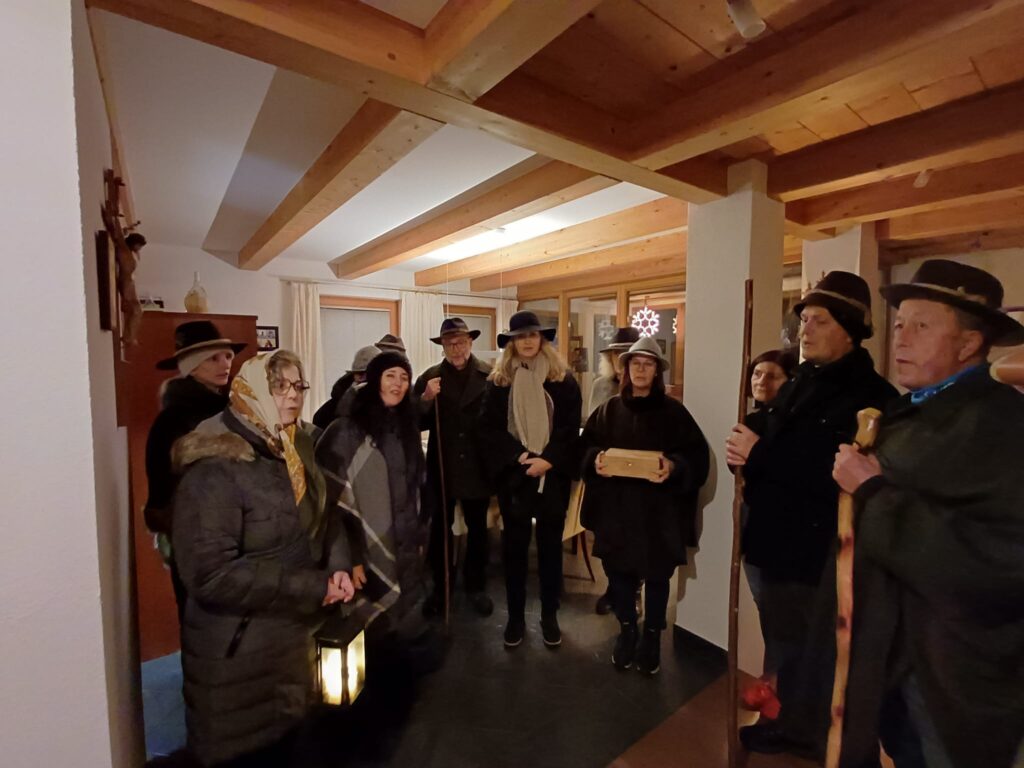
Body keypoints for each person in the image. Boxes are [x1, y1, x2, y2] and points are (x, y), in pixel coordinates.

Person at [833, 260, 1024, 768]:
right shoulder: (908, 412)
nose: (901, 338)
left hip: (953, 673)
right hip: (893, 657)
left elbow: (1002, 560)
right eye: (899, 324)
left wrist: (872, 491)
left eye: (921, 325)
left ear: (969, 343)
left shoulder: (1004, 425)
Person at [726, 271, 897, 758]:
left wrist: (760, 454)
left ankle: (816, 738)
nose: (805, 329)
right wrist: (745, 452)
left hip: (816, 553)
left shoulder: (871, 397)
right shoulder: (802, 380)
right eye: (803, 320)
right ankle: (790, 723)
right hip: (776, 543)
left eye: (819, 320)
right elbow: (777, 440)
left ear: (849, 329)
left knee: (816, 654)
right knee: (786, 646)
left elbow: (835, 473)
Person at [172, 351, 354, 767]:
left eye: (298, 385)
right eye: (279, 386)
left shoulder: (291, 450)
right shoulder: (216, 467)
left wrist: (338, 566)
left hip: (289, 642)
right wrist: (314, 586)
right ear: (250, 391)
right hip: (238, 653)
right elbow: (210, 575)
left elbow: (325, 516)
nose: (293, 396)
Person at [580, 337, 709, 675]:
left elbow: (696, 456)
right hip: (617, 510)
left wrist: (674, 467)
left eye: (647, 364)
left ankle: (651, 635)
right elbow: (585, 448)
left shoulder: (674, 413)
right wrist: (596, 460)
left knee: (656, 576)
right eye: (635, 363)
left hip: (658, 513)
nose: (640, 369)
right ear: (625, 369)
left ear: (656, 371)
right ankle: (627, 629)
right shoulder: (608, 411)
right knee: (618, 573)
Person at [480, 311, 582, 649]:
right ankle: (515, 619)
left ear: (541, 339)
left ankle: (550, 616)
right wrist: (520, 457)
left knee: (551, 551)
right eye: (520, 336)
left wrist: (548, 460)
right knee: (514, 551)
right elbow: (489, 430)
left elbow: (569, 429)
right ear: (511, 342)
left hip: (552, 477)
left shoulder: (563, 381)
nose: (526, 341)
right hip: (516, 477)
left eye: (532, 335)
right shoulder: (498, 382)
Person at [316, 350, 430, 640]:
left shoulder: (407, 427)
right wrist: (349, 558)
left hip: (405, 541)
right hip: (364, 551)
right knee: (371, 630)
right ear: (374, 380)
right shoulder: (346, 431)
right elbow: (331, 505)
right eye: (390, 375)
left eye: (404, 377)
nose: (398, 384)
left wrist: (419, 534)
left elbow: (417, 487)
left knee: (406, 621)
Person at [144, 320, 247, 622]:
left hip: (238, 532)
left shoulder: (233, 410)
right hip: (197, 536)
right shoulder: (173, 421)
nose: (225, 364)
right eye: (213, 358)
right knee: (201, 619)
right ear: (191, 365)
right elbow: (162, 488)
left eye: (227, 356)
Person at [415, 318, 494, 618]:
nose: (456, 348)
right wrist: (425, 399)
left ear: (470, 342)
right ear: (443, 347)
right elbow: (414, 421)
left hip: (478, 467)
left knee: (478, 531)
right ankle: (441, 587)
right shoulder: (430, 378)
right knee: (440, 531)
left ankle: (476, 586)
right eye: (450, 344)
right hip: (442, 467)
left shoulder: (490, 376)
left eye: (461, 342)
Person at [738, 348, 798, 715]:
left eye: (772, 375)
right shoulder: (752, 420)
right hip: (753, 519)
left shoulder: (792, 424)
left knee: (781, 608)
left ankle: (778, 683)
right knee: (765, 603)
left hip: (779, 525)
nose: (762, 381)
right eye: (757, 374)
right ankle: (773, 677)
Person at [312, 344, 380, 429]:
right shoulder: (333, 407)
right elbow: (319, 422)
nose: (363, 378)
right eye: (359, 373)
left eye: (367, 373)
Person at [589, 326, 640, 416]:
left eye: (625, 354)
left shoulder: (643, 385)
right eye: (616, 353)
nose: (620, 358)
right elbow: (593, 419)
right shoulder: (599, 385)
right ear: (609, 358)